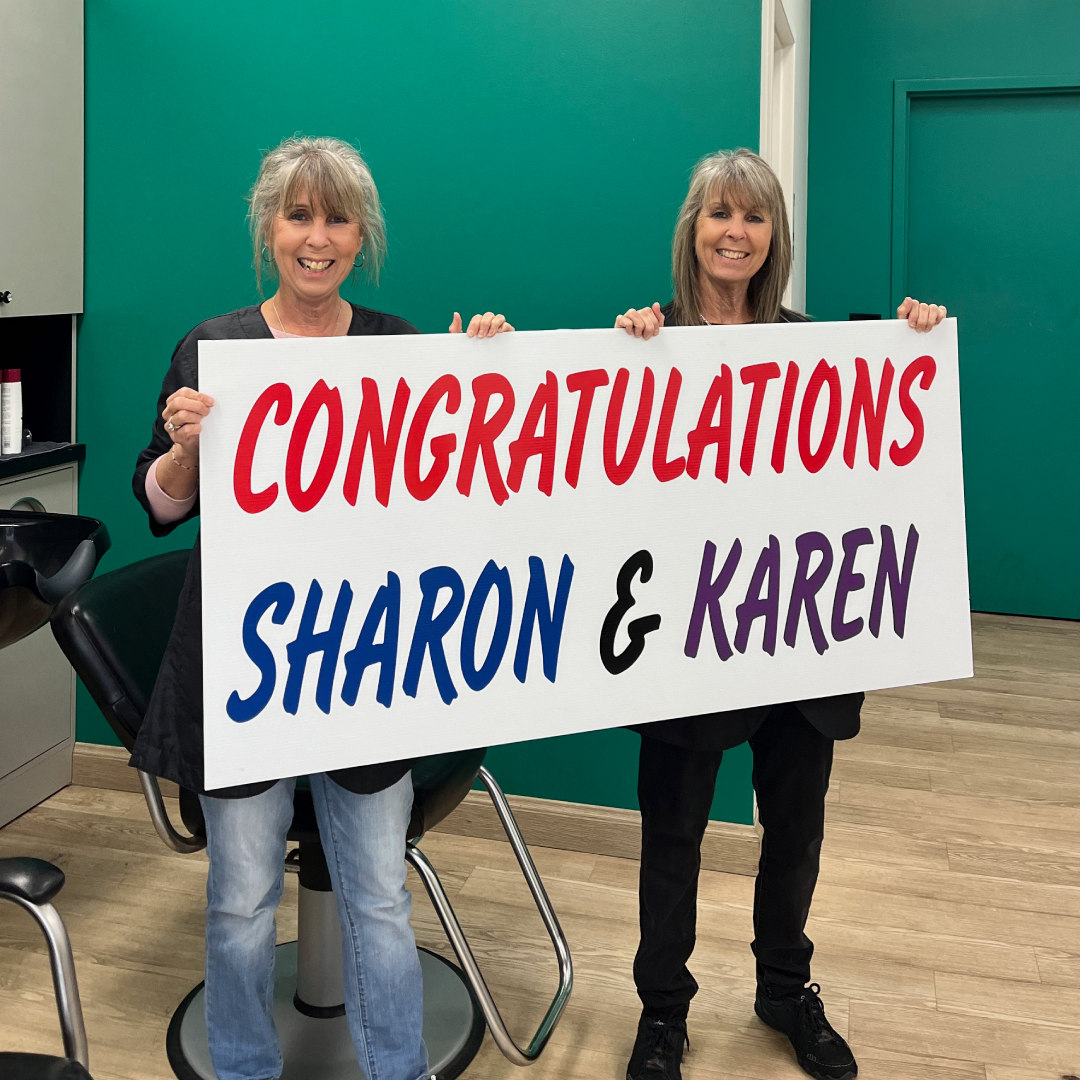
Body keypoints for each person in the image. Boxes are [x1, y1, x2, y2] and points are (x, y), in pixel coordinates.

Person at [130, 135, 512, 1080]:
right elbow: (161, 505)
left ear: (361, 235)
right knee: (239, 900)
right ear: (268, 228)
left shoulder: (399, 346)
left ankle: (396, 1069)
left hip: (367, 663)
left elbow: (455, 492)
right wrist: (185, 450)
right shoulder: (214, 348)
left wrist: (481, 377)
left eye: (337, 218)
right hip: (247, 666)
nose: (317, 237)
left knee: (378, 895)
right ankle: (244, 1068)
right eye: (298, 215)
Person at [614, 148, 946, 1080]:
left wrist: (913, 341)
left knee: (796, 831)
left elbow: (877, 459)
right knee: (672, 832)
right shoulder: (647, 342)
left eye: (754, 216)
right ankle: (662, 1011)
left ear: (776, 235)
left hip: (800, 637)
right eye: (719, 214)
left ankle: (783, 988)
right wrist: (629, 351)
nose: (736, 232)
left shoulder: (822, 353)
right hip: (689, 636)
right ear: (692, 230)